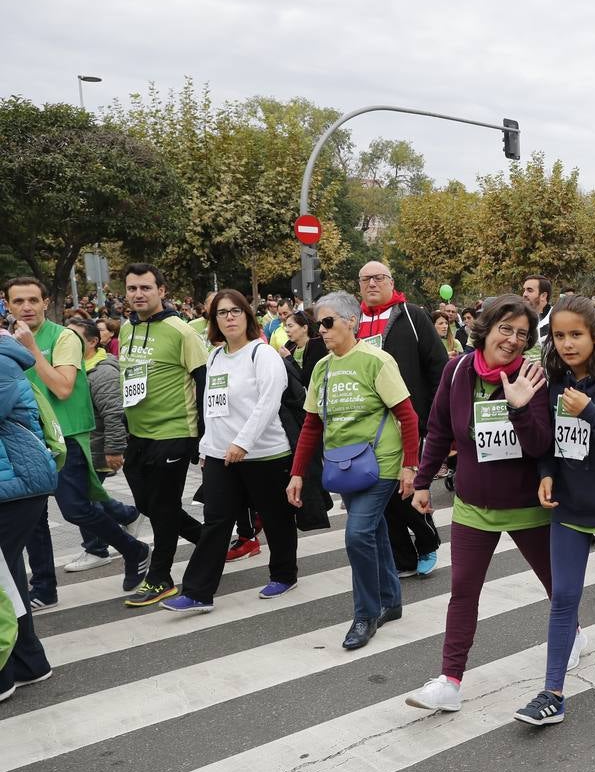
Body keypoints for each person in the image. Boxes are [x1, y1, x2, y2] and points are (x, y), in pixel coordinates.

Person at [405, 296, 561, 712]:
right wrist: (423, 481)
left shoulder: (533, 376)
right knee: (463, 592)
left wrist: (520, 406)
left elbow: (542, 444)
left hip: (526, 505)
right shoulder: (457, 371)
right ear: (486, 328)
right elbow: (438, 427)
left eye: (522, 334)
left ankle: (573, 631)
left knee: (555, 586)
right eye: (505, 329)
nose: (512, 340)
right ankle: (449, 682)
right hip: (473, 506)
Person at [513, 297, 595, 725]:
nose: (567, 344)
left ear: (594, 336)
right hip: (569, 504)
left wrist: (590, 413)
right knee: (564, 596)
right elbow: (553, 440)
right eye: (559, 336)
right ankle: (552, 692)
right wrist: (547, 472)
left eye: (576, 335)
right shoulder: (555, 381)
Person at [286, 291, 421, 649]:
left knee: (357, 534)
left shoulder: (377, 361)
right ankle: (390, 602)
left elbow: (407, 416)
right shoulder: (322, 368)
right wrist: (297, 473)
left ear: (351, 322)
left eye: (328, 323)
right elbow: (312, 425)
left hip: (381, 464)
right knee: (372, 531)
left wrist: (411, 466)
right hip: (344, 466)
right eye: (319, 325)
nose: (323, 331)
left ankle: (365, 614)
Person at [5, 278, 147, 609]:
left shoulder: (64, 337)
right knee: (33, 519)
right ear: (8, 306)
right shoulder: (8, 340)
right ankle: (43, 587)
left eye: (32, 300)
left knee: (74, 508)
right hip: (28, 439)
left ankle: (134, 549)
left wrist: (31, 350)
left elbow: (63, 388)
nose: (26, 307)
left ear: (44, 302)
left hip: (65, 437)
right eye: (18, 301)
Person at [161, 292, 300, 612]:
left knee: (277, 519)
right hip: (222, 456)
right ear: (214, 321)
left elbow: (268, 403)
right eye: (221, 313)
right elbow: (212, 408)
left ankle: (284, 573)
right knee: (216, 521)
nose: (229, 318)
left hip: (265, 453)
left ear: (248, 316)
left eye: (236, 311)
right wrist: (208, 447)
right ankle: (197, 592)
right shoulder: (214, 356)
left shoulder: (262, 354)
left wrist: (243, 443)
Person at [117, 265, 206, 607]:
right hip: (138, 434)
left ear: (162, 291)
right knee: (147, 504)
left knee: (164, 505)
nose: (138, 294)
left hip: (175, 431)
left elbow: (203, 380)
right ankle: (207, 540)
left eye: (145, 288)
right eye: (132, 288)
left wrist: (201, 437)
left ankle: (160, 577)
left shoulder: (180, 331)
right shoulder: (127, 329)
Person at [357, 261, 448, 578]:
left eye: (379, 278)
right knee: (380, 495)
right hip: (368, 427)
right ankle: (402, 556)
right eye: (366, 279)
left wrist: (437, 416)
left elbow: (438, 366)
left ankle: (426, 542)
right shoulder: (353, 323)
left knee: (407, 488)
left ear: (391, 282)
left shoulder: (411, 316)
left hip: (408, 421)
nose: (372, 284)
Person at [0, 328, 58, 699]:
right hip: (15, 484)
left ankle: (5, 674)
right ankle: (29, 661)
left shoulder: (1, 361)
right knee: (8, 576)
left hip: (15, 484)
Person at [65, 319, 140, 572]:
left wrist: (114, 449)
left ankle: (97, 549)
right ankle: (127, 515)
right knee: (87, 494)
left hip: (97, 448)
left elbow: (114, 413)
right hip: (81, 446)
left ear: (93, 342)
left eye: (75, 337)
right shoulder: (73, 366)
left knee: (82, 498)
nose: (67, 342)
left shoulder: (102, 371)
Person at [522, 274, 553, 360]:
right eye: (524, 290)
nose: (524, 294)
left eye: (529, 290)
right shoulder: (521, 318)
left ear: (543, 296)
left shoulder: (556, 318)